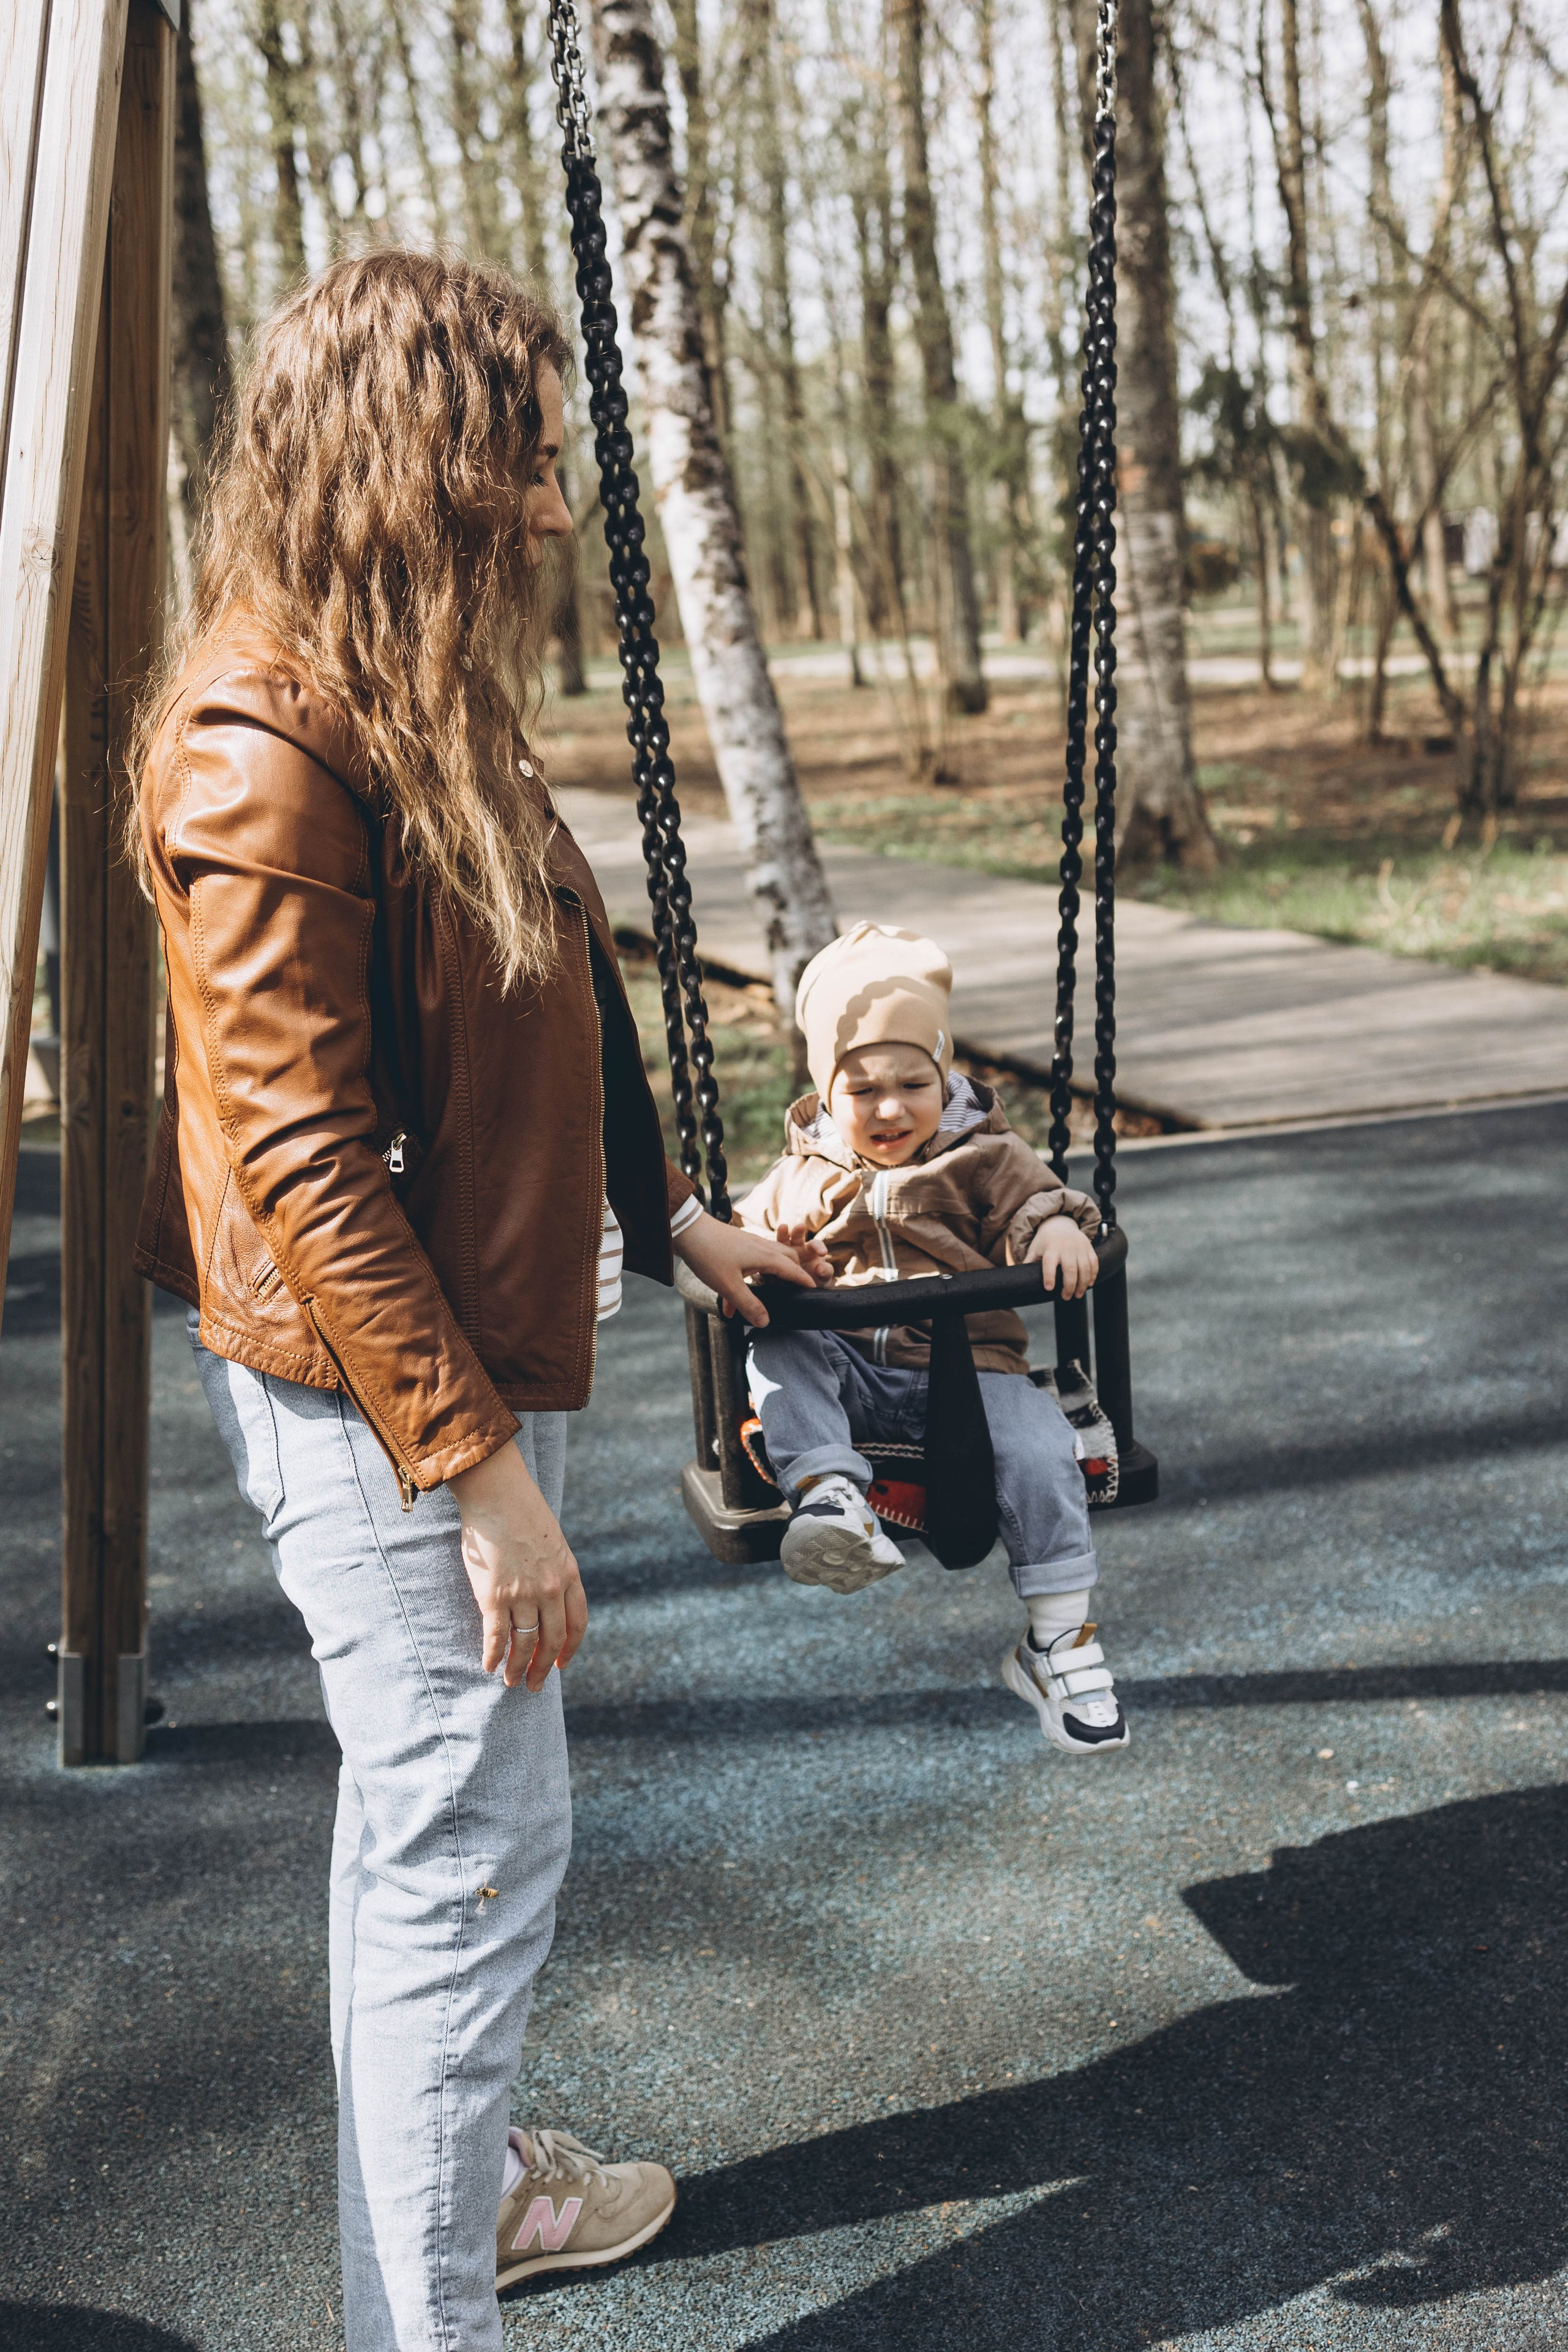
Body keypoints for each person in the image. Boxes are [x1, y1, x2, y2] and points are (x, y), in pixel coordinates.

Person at [129, 249, 813, 2348]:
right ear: (405, 461)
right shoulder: (264, 751)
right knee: (467, 1857)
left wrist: (666, 1200)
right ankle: (432, 2313)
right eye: (512, 457)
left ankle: (478, 2186)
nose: (544, 510)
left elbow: (551, 968)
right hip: (370, 1398)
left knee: (432, 1828)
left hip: (415, 1372)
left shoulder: (407, 689)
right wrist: (481, 1477)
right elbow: (304, 1162)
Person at [739, 922, 1129, 1755]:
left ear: (945, 1072)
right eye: (862, 1090)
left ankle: (1058, 1641)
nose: (890, 1108)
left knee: (1038, 1449)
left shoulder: (985, 1155)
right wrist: (783, 1259)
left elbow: (1038, 1202)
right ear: (824, 1091)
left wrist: (1058, 1233)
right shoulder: (801, 1171)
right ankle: (832, 1498)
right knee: (779, 1350)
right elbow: (743, 1243)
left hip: (973, 1370)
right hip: (846, 1368)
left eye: (914, 1082)